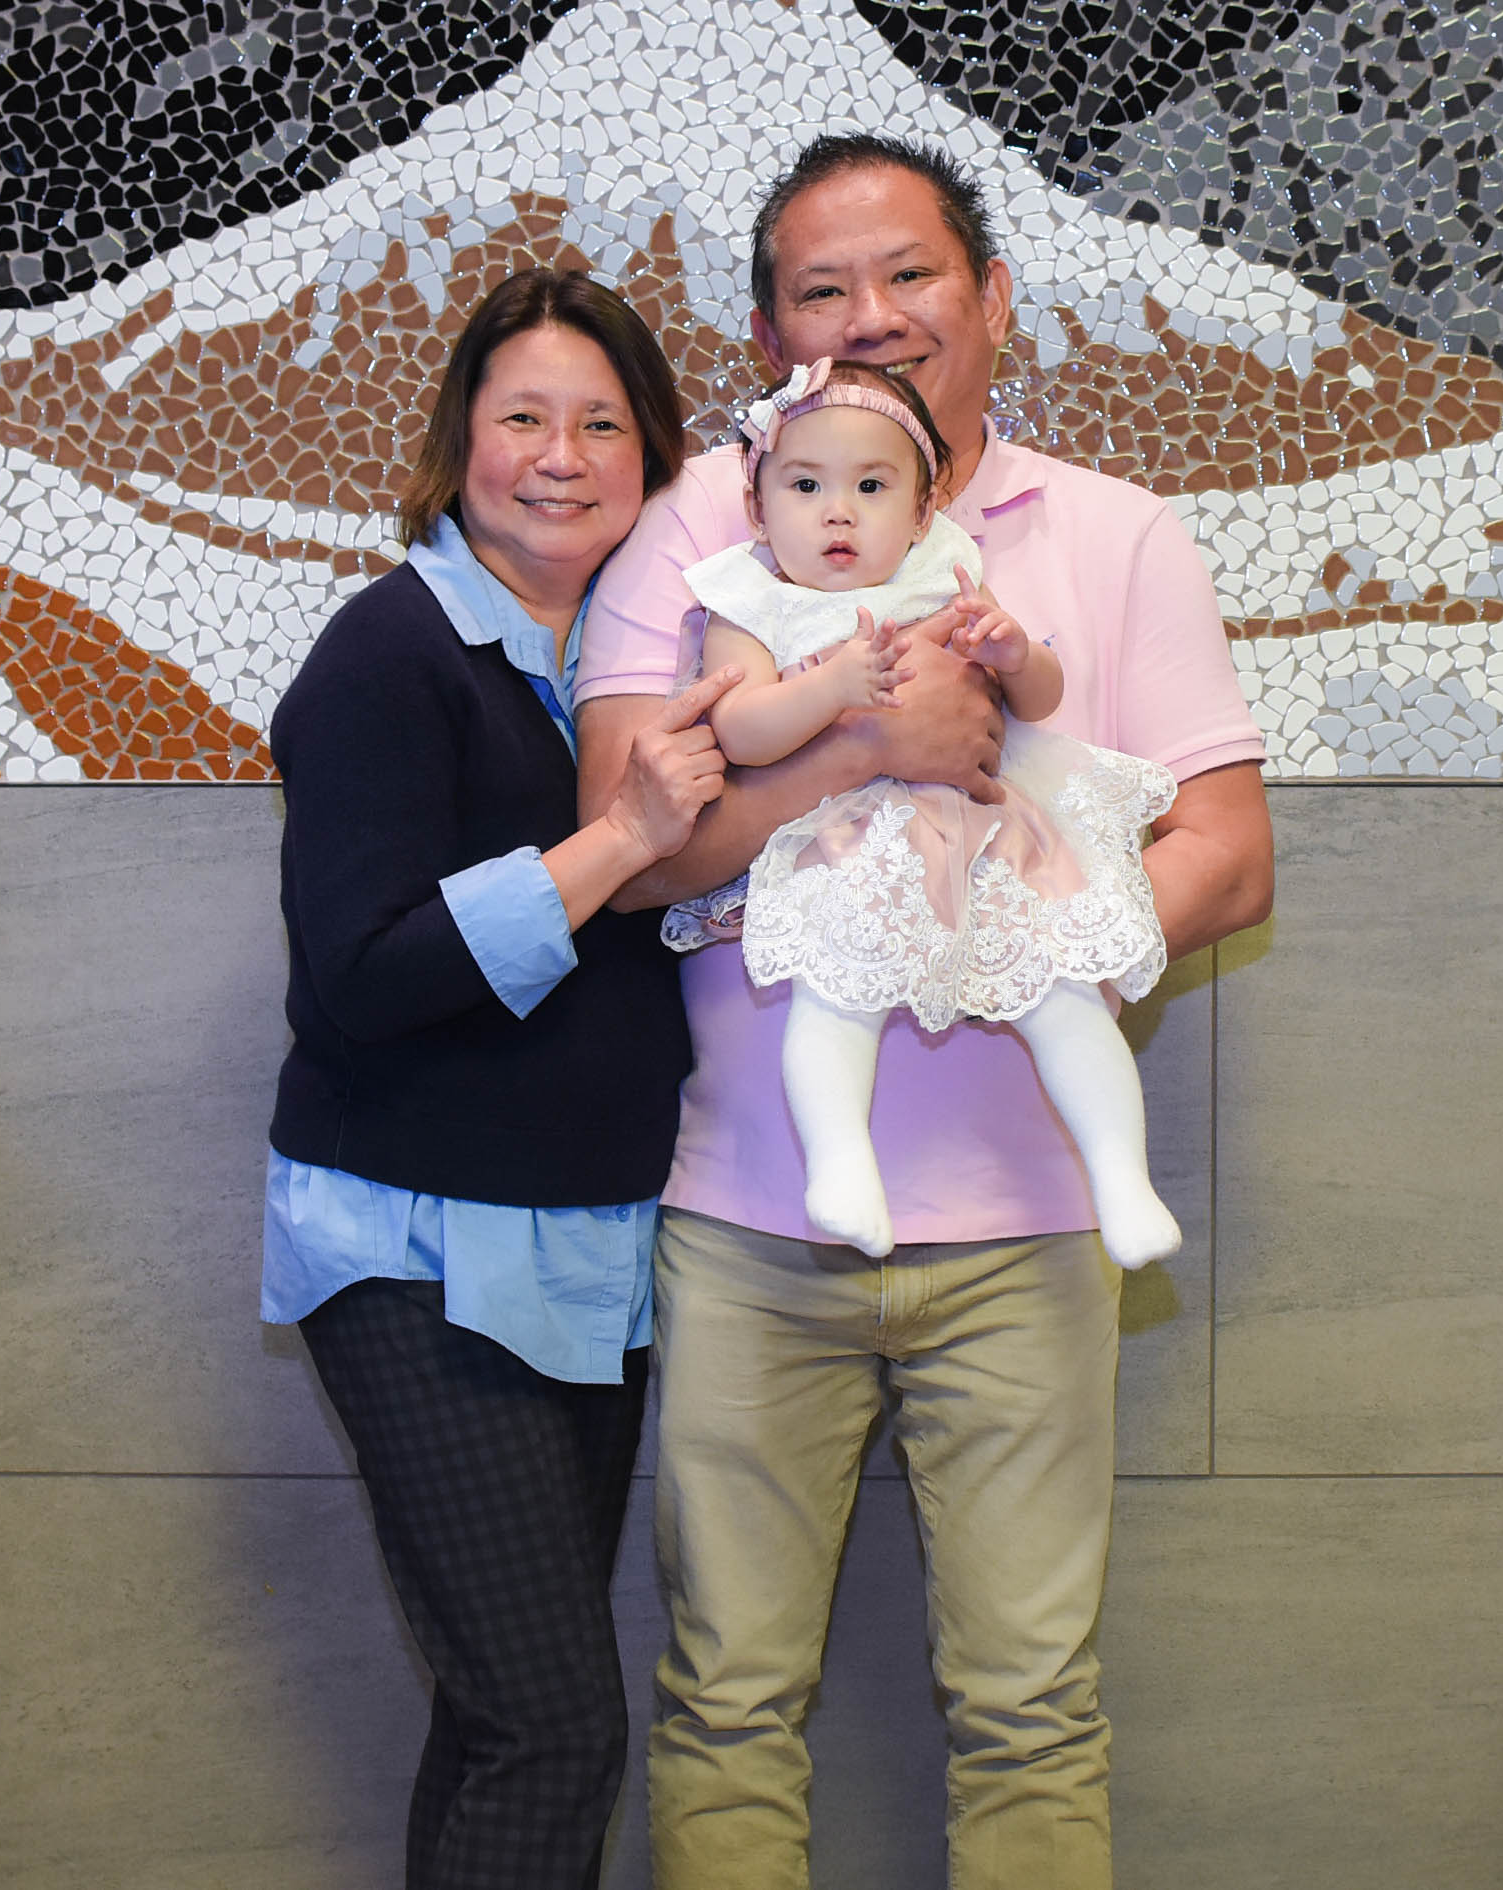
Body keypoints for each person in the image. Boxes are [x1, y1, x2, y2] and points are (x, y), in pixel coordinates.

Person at [570, 136, 1274, 1890]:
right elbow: (622, 853)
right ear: (769, 338)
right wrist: (867, 749)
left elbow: (1229, 858)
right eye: (823, 291)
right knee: (728, 1698)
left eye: (909, 276)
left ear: (992, 300)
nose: (870, 317)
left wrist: (1029, 933)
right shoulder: (698, 537)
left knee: (1032, 1706)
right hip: (749, 1219)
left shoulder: (1110, 535)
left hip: (1031, 1233)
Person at [266, 266, 741, 1890]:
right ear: (458, 439)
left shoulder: (645, 662)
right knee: (555, 1732)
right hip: (411, 1253)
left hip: (590, 1250)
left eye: (601, 423)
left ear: (653, 456)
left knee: (495, 1726)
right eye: (523, 415)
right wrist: (619, 841)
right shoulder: (386, 654)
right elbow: (361, 975)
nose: (560, 456)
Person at [675, 355, 1182, 1267]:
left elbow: (1039, 702)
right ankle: (840, 1167)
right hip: (848, 845)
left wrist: (1017, 654)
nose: (838, 512)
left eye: (871, 486)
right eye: (805, 485)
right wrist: (832, 689)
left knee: (1064, 992)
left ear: (920, 511)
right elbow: (740, 729)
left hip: (985, 837)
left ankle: (1122, 1177)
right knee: (837, 995)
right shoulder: (752, 601)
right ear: (757, 505)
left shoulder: (943, 574)